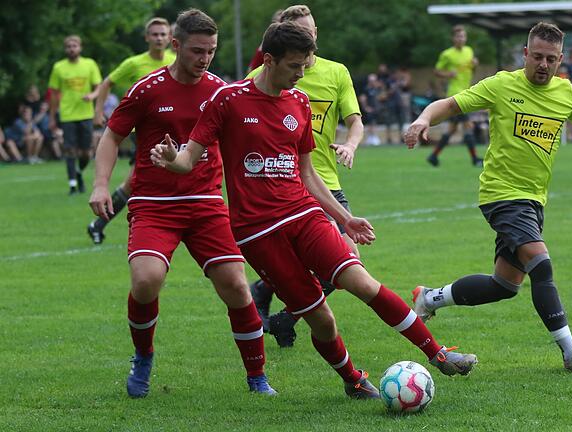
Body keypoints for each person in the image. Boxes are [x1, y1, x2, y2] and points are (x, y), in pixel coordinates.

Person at [151, 20, 478, 398]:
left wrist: (345, 218)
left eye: (305, 65)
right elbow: (188, 160)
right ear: (269, 61)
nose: (301, 74)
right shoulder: (229, 100)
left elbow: (307, 173)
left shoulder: (299, 102)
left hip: (304, 213)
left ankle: (438, 355)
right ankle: (353, 380)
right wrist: (172, 157)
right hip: (258, 232)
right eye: (294, 66)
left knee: (363, 282)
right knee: (321, 319)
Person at [405, 22, 572, 374]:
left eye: (551, 59)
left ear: (561, 59)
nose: (543, 65)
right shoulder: (502, 85)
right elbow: (451, 103)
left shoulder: (568, 95)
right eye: (537, 57)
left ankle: (429, 297)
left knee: (504, 285)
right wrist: (423, 119)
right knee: (541, 264)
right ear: (525, 54)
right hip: (501, 195)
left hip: (534, 200)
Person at [88, 8, 275, 398]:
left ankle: (257, 377)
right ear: (176, 46)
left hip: (206, 204)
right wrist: (101, 186)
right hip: (154, 204)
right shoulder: (147, 89)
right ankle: (143, 355)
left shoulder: (220, 92)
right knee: (145, 281)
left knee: (237, 287)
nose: (204, 59)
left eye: (210, 51)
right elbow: (111, 137)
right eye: (196, 51)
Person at [244, 4, 365, 347]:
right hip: (283, 187)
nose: (310, 39)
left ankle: (282, 311)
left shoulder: (336, 72)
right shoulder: (262, 77)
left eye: (313, 33)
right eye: (302, 34)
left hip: (325, 183)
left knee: (348, 260)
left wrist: (351, 145)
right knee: (322, 262)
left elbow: (354, 120)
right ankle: (277, 300)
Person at [85, 17, 176, 245]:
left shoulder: (176, 60)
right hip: (142, 132)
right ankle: (138, 228)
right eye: (154, 34)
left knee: (141, 181)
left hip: (172, 131)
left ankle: (102, 224)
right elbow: (107, 83)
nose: (159, 38)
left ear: (170, 38)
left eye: (163, 34)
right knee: (137, 182)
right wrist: (98, 112)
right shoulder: (134, 63)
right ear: (146, 38)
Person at [48, 35, 102, 194]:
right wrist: (52, 117)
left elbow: (99, 86)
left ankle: (79, 172)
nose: (71, 49)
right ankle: (72, 185)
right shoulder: (59, 67)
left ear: (80, 47)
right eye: (68, 46)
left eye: (74, 46)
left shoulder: (89, 64)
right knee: (70, 150)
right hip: (67, 114)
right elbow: (53, 94)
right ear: (65, 49)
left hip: (85, 114)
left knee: (86, 152)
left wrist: (92, 96)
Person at [427, 25, 482, 167]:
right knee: (468, 126)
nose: (461, 39)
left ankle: (434, 156)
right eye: (458, 36)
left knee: (452, 129)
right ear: (453, 39)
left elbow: (472, 71)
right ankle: (475, 159)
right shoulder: (447, 54)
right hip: (455, 94)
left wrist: (475, 65)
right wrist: (448, 74)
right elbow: (436, 71)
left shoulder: (469, 51)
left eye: (463, 36)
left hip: (467, 91)